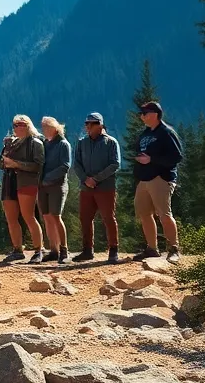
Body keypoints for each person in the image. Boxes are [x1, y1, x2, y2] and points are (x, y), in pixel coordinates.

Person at [132, 101, 185, 264]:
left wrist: (152, 160)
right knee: (144, 213)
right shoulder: (145, 133)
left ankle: (174, 249)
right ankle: (152, 248)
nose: (142, 116)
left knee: (164, 214)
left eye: (144, 113)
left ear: (155, 114)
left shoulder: (166, 132)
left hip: (161, 178)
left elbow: (177, 157)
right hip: (144, 179)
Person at [72, 112, 121, 263]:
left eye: (91, 124)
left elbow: (115, 164)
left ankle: (113, 250)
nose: (87, 126)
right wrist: (86, 179)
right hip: (86, 187)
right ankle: (87, 250)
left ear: (99, 125)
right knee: (85, 218)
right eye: (86, 123)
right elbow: (76, 163)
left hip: (105, 187)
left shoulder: (111, 142)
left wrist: (96, 179)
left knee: (108, 218)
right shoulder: (82, 142)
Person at [0, 115, 46, 263]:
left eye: (18, 125)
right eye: (14, 125)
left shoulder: (35, 143)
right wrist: (6, 158)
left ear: (27, 126)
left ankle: (39, 250)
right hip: (9, 182)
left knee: (28, 216)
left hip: (27, 182)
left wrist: (16, 164)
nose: (15, 128)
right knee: (11, 218)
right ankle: (17, 249)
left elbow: (38, 166)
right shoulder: (10, 143)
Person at [38, 116, 72, 264]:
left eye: (46, 126)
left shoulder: (63, 144)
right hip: (42, 186)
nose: (43, 129)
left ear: (54, 127)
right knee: (46, 217)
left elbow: (65, 166)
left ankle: (64, 250)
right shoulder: (45, 144)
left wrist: (47, 178)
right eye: (42, 126)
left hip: (57, 186)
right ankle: (53, 250)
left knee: (56, 216)